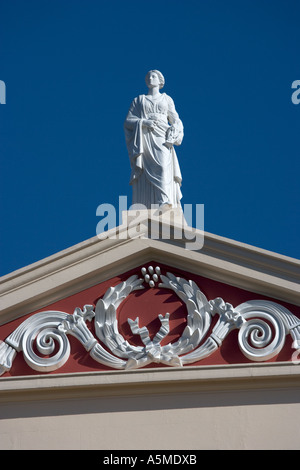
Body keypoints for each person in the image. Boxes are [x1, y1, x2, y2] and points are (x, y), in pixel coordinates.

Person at [124, 70, 183, 209]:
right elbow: (128, 121)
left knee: (163, 167)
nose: (150, 78)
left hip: (162, 136)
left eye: (154, 76)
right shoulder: (139, 100)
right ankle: (145, 205)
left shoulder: (166, 99)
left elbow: (176, 120)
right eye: (148, 76)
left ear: (160, 81)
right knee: (144, 170)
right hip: (145, 138)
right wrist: (144, 122)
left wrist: (175, 133)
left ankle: (164, 201)